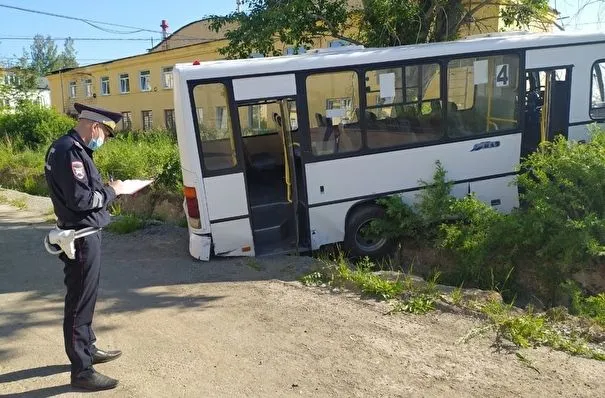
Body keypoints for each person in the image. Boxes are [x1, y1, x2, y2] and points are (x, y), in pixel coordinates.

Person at [44, 103, 128, 391]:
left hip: (83, 233)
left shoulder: (72, 149)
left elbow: (79, 193)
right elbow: (81, 201)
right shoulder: (70, 152)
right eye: (104, 132)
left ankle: (88, 348)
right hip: (80, 236)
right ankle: (82, 371)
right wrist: (112, 191)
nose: (102, 138)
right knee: (79, 303)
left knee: (85, 298)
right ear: (94, 126)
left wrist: (103, 190)